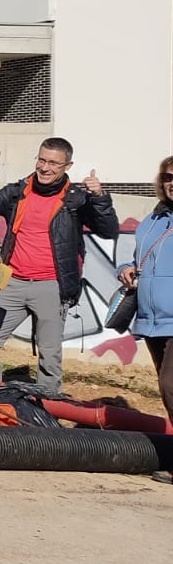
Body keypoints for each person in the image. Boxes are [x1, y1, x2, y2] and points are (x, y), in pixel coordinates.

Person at [0, 139, 118, 395]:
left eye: (53, 162)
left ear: (67, 165)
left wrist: (100, 198)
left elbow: (108, 230)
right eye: (41, 160)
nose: (45, 167)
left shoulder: (76, 199)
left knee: (49, 355)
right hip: (11, 283)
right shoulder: (18, 192)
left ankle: (48, 414)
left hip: (52, 286)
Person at [121, 156, 173, 421]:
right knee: (166, 392)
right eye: (168, 177)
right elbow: (140, 258)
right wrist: (125, 268)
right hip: (153, 321)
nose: (172, 183)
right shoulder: (153, 219)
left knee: (170, 386)